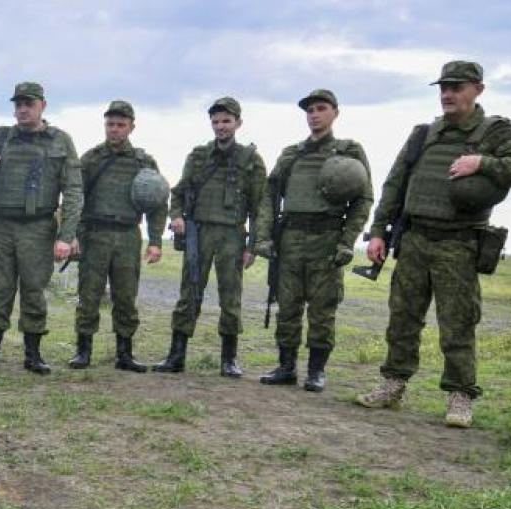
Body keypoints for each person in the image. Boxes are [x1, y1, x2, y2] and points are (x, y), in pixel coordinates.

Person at [356, 61, 511, 427]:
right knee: (403, 317)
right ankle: (393, 384)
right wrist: (378, 231)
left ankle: (460, 396)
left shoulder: (496, 132)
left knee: (457, 323)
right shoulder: (424, 133)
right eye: (444, 87)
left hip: (458, 243)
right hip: (414, 239)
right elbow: (396, 183)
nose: (448, 93)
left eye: (457, 86)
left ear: (478, 90)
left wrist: (482, 162)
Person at [255, 89, 373, 391]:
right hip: (290, 238)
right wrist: (264, 236)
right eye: (309, 110)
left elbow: (363, 199)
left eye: (321, 108)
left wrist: (347, 241)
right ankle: (286, 367)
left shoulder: (349, 152)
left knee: (323, 308)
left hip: (327, 239)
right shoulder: (291, 154)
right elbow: (269, 195)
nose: (314, 115)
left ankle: (317, 371)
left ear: (335, 112)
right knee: (288, 305)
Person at [0, 82, 82, 374]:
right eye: (18, 104)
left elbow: (73, 190)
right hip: (1, 225)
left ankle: (33, 355)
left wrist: (66, 236)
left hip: (38, 227)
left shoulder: (60, 141)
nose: (22, 109)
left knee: (34, 290)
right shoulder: (0, 137)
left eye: (28, 104)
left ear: (42, 106)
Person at [154, 97, 266, 376]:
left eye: (226, 121)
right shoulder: (198, 156)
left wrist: (253, 245)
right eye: (215, 121)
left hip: (232, 234)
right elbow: (178, 193)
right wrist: (176, 216)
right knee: (189, 293)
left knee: (231, 296)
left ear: (238, 123)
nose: (221, 126)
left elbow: (260, 205)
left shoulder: (251, 160)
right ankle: (176, 355)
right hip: (198, 232)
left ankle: (229, 360)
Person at [69, 100, 167, 371]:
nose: (114, 130)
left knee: (126, 296)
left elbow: (157, 202)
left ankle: (125, 354)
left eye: (120, 125)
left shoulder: (144, 162)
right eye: (110, 124)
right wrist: (73, 234)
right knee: (88, 294)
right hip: (95, 234)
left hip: (127, 236)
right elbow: (75, 197)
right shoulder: (91, 159)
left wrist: (156, 241)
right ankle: (83, 351)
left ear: (131, 127)